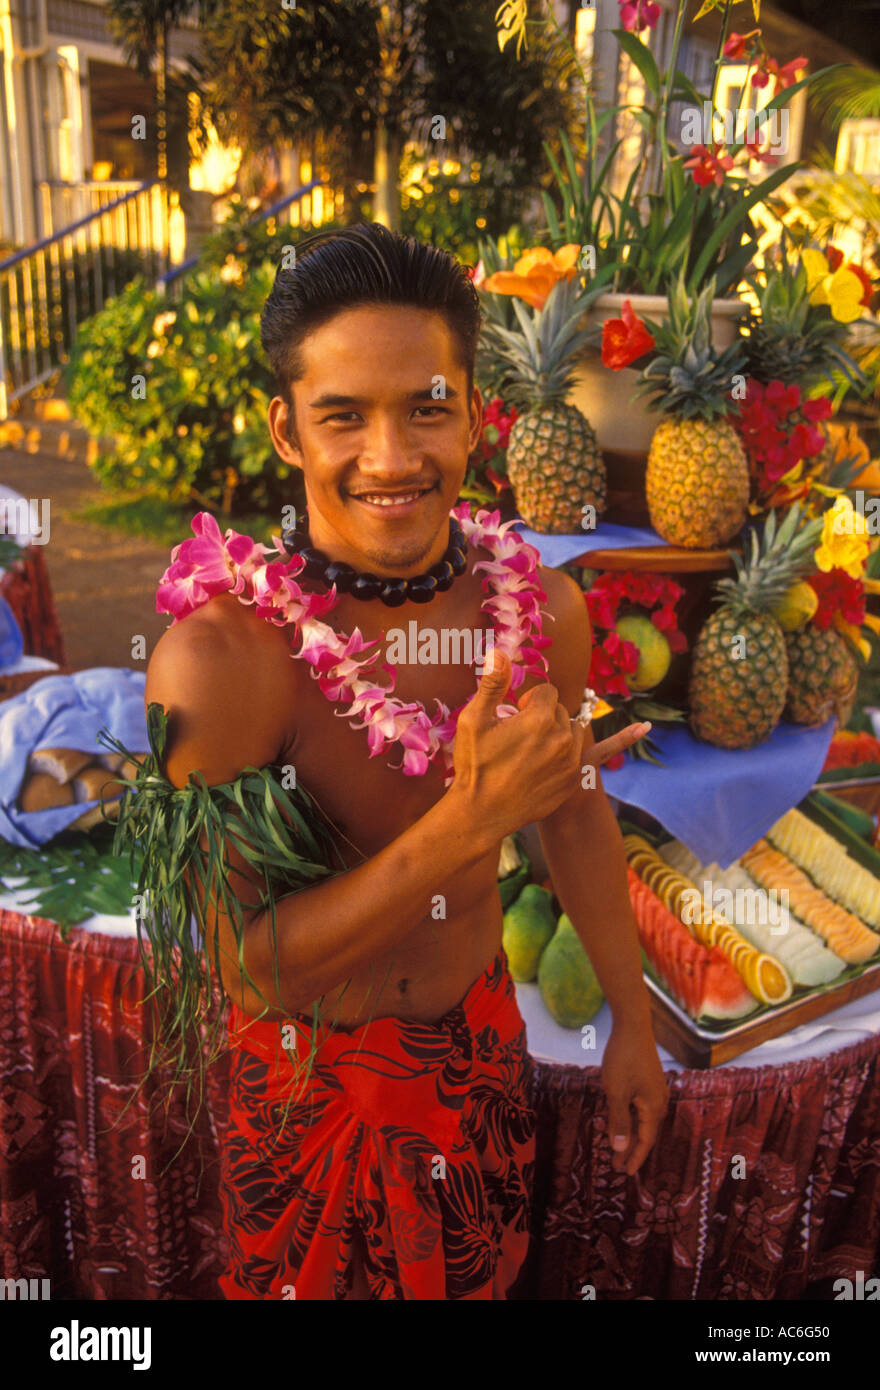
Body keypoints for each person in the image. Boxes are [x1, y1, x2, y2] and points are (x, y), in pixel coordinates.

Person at [144, 222, 668, 1301]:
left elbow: (569, 810)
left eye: (427, 406)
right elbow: (242, 964)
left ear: (475, 413)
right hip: (301, 1091)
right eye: (345, 416)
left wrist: (632, 1018)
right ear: (286, 431)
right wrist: (467, 826)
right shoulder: (222, 661)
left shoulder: (540, 614)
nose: (392, 458)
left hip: (475, 1057)